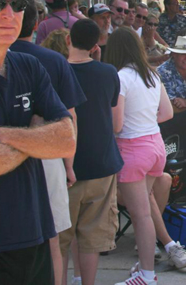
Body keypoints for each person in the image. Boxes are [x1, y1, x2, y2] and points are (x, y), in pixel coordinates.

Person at [0, 0, 75, 285]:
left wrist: (2, 136)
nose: (8, 13)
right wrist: (35, 137)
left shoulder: (28, 65)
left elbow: (66, 140)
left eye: (18, 5)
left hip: (34, 234)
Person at [11, 0, 87, 285]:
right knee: (52, 240)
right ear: (36, 24)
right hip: (47, 158)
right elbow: (70, 117)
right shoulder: (53, 59)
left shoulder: (35, 61)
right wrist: (69, 165)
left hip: (31, 155)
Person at [104, 27, 176, 285]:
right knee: (143, 211)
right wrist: (145, 120)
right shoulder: (152, 75)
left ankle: (146, 274)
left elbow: (116, 125)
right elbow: (167, 113)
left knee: (141, 215)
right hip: (156, 146)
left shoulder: (120, 77)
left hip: (133, 149)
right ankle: (144, 268)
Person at [60, 19, 122, 285]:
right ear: (96, 45)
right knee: (92, 239)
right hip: (101, 163)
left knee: (61, 239)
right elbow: (115, 120)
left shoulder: (55, 71)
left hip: (65, 166)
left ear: (67, 40)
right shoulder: (109, 73)